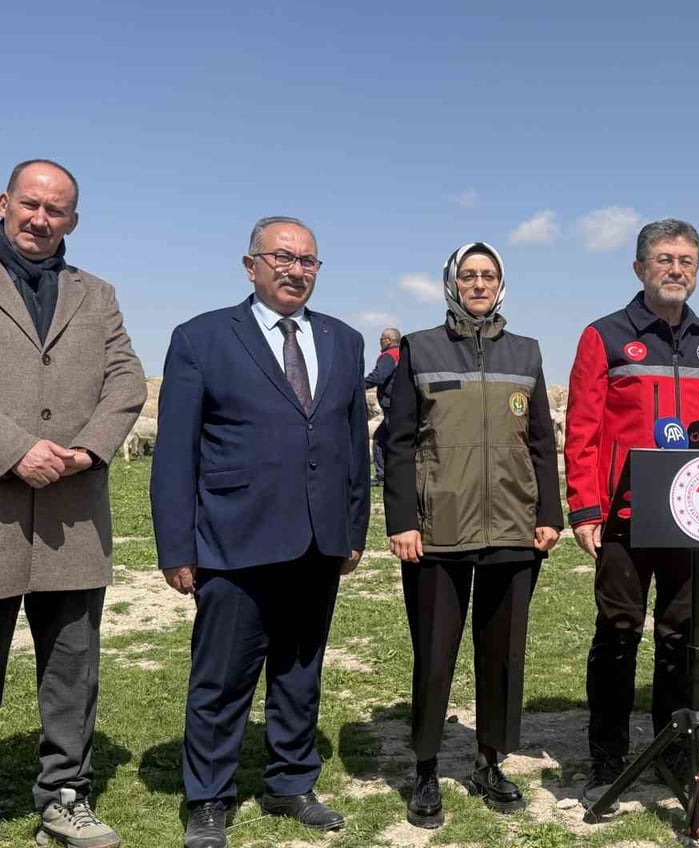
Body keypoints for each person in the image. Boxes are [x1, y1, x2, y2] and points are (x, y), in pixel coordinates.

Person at [150, 216, 369, 848]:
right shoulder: (202, 338)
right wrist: (177, 545)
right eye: (282, 257)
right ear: (251, 265)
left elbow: (352, 441)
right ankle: (209, 798)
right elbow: (176, 453)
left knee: (300, 672)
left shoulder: (343, 339)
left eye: (308, 261)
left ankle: (291, 783)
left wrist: (353, 525)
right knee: (221, 679)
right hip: (232, 538)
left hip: (317, 541)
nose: (296, 270)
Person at [565, 219, 699, 806]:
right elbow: (584, 429)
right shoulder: (605, 336)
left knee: (680, 639)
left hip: (693, 522)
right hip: (622, 519)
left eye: (688, 260)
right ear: (640, 267)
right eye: (665, 258)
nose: (676, 269)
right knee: (618, 635)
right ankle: (608, 757)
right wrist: (585, 509)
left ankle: (671, 749)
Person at [383, 242, 561, 828]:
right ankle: (427, 769)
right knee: (435, 654)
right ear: (451, 283)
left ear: (501, 285)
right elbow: (400, 441)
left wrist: (549, 514)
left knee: (504, 653)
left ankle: (490, 761)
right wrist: (403, 520)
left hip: (514, 523)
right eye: (469, 275)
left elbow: (540, 442)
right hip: (438, 528)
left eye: (488, 275)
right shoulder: (420, 348)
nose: (478, 284)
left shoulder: (526, 352)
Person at [0, 159, 146, 848]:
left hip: (72, 514)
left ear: (73, 221)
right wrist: (14, 449)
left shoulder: (99, 293)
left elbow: (125, 378)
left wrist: (87, 449)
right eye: (30, 204)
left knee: (72, 669)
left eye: (56, 211)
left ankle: (66, 797)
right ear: (5, 203)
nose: (40, 219)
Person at [364, 326, 401, 485]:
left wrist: (357, 385)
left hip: (390, 403)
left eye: (381, 339)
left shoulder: (388, 356)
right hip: (401, 403)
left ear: (388, 340)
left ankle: (382, 476)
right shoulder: (404, 354)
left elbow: (379, 376)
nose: (379, 342)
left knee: (380, 440)